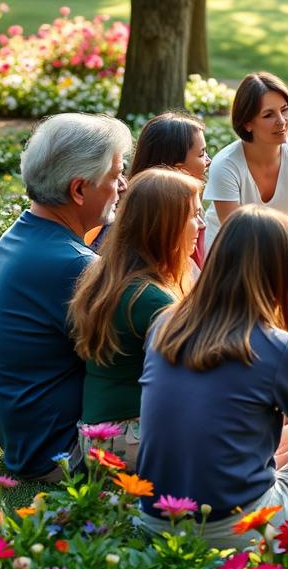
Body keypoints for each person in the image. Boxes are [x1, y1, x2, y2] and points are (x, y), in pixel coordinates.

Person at [137, 205, 288, 545]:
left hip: (155, 519)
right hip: (239, 528)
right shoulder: (278, 347)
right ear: (283, 272)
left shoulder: (165, 325)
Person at [0, 113, 132, 479]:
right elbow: (147, 354)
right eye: (114, 175)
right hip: (62, 452)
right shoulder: (73, 265)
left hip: (29, 441)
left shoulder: (24, 235)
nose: (123, 184)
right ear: (79, 190)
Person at [69, 169, 203, 467]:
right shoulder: (151, 299)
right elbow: (194, 378)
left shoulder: (110, 275)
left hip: (97, 438)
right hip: (130, 439)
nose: (201, 224)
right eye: (194, 215)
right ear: (166, 226)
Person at [204, 72, 288, 306]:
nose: (282, 121)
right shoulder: (225, 164)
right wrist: (284, 254)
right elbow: (237, 238)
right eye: (268, 114)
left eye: (285, 109)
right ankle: (279, 316)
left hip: (275, 249)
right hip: (232, 260)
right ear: (247, 123)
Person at [87, 111, 211, 267]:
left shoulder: (189, 202)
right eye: (201, 154)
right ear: (178, 169)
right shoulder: (132, 221)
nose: (208, 160)